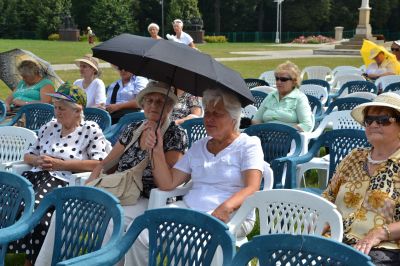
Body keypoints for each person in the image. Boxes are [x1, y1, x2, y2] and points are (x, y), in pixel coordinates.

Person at [126, 88, 266, 264]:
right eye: (207, 113)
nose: (209, 118)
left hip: (233, 213)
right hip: (189, 208)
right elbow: (168, 183)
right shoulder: (199, 146)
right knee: (139, 230)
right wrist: (156, 149)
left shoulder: (248, 145)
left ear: (233, 118)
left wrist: (226, 207)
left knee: (186, 242)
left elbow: (251, 187)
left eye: (217, 114)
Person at [8, 82, 111, 266]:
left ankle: (29, 261)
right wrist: (38, 160)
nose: (57, 112)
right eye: (55, 107)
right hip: (34, 176)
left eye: (62, 109)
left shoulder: (90, 130)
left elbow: (99, 163)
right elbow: (28, 154)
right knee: (9, 207)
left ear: (78, 110)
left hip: (63, 182)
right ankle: (14, 258)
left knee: (33, 213)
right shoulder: (49, 126)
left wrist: (61, 164)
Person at [322, 92, 400, 265]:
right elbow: (328, 197)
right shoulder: (355, 157)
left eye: (383, 120)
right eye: (369, 120)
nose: (373, 124)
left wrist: (380, 233)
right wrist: (321, 221)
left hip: (383, 248)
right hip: (336, 239)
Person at [251, 61, 313, 132]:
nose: (278, 82)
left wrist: (283, 132)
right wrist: (262, 133)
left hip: (287, 139)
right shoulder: (271, 96)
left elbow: (306, 125)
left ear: (294, 82)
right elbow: (256, 120)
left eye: (283, 79)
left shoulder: (300, 98)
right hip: (266, 137)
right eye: (277, 78)